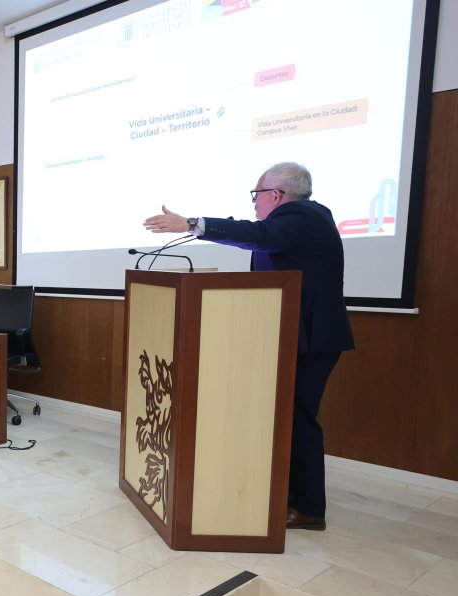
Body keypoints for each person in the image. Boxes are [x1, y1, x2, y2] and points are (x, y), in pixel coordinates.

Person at [143, 161, 354, 531]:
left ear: (275, 195)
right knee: (285, 416)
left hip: (310, 340)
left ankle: (308, 509)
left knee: (298, 419)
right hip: (294, 336)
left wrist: (193, 224)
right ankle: (280, 493)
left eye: (256, 195)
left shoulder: (301, 216)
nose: (254, 204)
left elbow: (257, 235)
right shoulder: (300, 218)